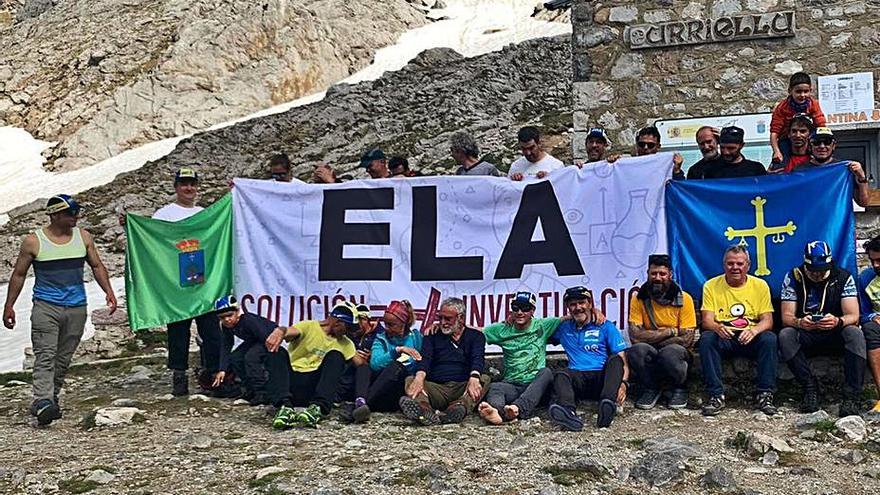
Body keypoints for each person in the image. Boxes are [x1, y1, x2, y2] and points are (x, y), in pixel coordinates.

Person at [3, 195, 117, 425]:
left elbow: (96, 265)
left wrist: (109, 291)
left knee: (63, 358)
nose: (76, 217)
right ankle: (42, 400)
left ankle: (50, 399)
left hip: (77, 307)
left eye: (76, 212)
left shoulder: (83, 237)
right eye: (71, 213)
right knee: (46, 355)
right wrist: (9, 305)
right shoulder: (34, 242)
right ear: (55, 215)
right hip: (46, 306)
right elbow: (19, 274)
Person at [152, 168, 223, 396]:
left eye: (192, 183)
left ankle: (212, 374)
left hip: (204, 283)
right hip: (177, 284)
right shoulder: (164, 214)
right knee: (178, 330)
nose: (188, 188)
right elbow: (153, 240)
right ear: (176, 187)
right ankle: (179, 375)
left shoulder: (205, 213)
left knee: (211, 329)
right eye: (183, 184)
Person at [778, 241, 864, 416]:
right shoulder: (794, 277)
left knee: (855, 333)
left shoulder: (843, 277)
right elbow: (786, 316)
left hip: (834, 332)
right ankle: (809, 388)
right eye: (813, 271)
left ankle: (852, 396)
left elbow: (854, 315)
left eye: (821, 271)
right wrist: (800, 322)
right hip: (807, 332)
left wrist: (838, 321)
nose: (817, 275)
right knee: (786, 335)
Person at [699, 245, 777, 416]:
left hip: (750, 336)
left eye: (740, 264)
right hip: (724, 336)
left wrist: (755, 331)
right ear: (723, 265)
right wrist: (718, 328)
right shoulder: (711, 285)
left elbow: (768, 320)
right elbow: (707, 321)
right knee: (706, 338)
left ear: (748, 265)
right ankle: (716, 395)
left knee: (769, 339)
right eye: (730, 263)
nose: (735, 267)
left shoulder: (760, 285)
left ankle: (765, 394)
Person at [548, 286, 629, 431]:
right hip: (578, 379)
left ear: (590, 304)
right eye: (572, 304)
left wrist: (623, 384)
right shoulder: (564, 328)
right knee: (560, 373)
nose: (578, 307)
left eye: (581, 303)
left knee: (616, 360)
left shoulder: (605, 326)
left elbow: (623, 360)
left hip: (603, 380)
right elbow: (536, 330)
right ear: (568, 308)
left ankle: (607, 407)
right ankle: (569, 414)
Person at [269, 302, 361, 429]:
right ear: (338, 322)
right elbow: (289, 332)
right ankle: (284, 407)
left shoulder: (346, 344)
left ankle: (317, 408)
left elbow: (361, 365)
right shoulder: (308, 326)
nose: (348, 332)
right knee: (276, 352)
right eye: (348, 328)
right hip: (292, 381)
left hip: (314, 387)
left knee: (336, 356)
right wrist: (280, 331)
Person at [399, 297, 489, 425]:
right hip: (437, 388)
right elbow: (426, 359)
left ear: (461, 318)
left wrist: (474, 377)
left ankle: (458, 409)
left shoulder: (476, 336)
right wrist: (419, 378)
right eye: (440, 318)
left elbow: (477, 358)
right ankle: (424, 410)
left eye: (448, 319)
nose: (443, 322)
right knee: (410, 380)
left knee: (484, 379)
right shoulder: (432, 335)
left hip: (462, 386)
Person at [477, 292, 560, 425]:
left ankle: (518, 409)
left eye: (525, 308)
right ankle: (497, 413)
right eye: (516, 308)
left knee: (546, 372)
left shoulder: (543, 325)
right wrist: (441, 326)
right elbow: (475, 332)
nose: (520, 312)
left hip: (536, 386)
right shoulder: (502, 329)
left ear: (533, 310)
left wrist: (595, 312)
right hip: (512, 385)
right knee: (495, 387)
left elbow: (573, 317)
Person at [627, 254, 697, 410]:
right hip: (654, 348)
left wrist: (651, 337)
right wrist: (671, 331)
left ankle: (680, 388)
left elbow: (686, 340)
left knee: (670, 352)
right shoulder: (638, 298)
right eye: (653, 274)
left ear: (670, 275)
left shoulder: (684, 299)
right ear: (648, 274)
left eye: (662, 274)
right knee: (637, 350)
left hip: (677, 352)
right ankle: (651, 388)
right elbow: (635, 337)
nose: (657, 278)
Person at [345, 300, 423, 423]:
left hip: (397, 392)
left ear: (403, 323)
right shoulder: (381, 339)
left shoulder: (416, 338)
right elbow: (375, 364)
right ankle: (361, 403)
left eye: (392, 325)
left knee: (396, 367)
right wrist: (397, 350)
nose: (387, 328)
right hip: (378, 391)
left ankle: (360, 407)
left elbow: (418, 362)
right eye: (385, 324)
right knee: (363, 367)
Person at [214, 295, 286, 405]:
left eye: (229, 315)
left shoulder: (248, 320)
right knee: (235, 357)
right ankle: (250, 389)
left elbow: (265, 337)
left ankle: (262, 392)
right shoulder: (226, 326)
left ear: (237, 312)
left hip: (268, 338)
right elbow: (226, 345)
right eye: (222, 317)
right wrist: (222, 369)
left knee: (251, 357)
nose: (227, 320)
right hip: (254, 340)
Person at [799, 127, 870, 207]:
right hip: (810, 219)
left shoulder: (846, 170)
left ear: (833, 146)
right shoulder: (800, 171)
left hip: (836, 219)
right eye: (817, 142)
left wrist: (862, 178)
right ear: (810, 147)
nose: (822, 146)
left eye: (827, 142)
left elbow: (864, 203)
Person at [336, 303, 382, 420]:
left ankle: (359, 403)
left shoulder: (381, 334)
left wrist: (375, 355)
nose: (355, 328)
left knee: (364, 367)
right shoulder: (349, 335)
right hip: (352, 375)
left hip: (372, 373)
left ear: (366, 320)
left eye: (359, 322)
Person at [770, 72, 826, 166]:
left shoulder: (813, 104)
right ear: (790, 91)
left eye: (806, 91)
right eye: (798, 92)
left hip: (809, 139)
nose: (802, 95)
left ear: (810, 90)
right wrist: (776, 151)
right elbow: (774, 132)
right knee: (780, 163)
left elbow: (821, 125)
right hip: (786, 140)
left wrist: (822, 143)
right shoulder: (782, 107)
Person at [858, 236, 880, 414]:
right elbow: (861, 313)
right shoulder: (866, 278)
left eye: (879, 260)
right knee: (870, 329)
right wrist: (873, 316)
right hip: (878, 324)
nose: (875, 265)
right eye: (872, 261)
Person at [699, 126, 767, 179]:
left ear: (741, 146)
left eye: (731, 148)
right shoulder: (711, 170)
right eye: (722, 148)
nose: (726, 152)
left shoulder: (756, 169)